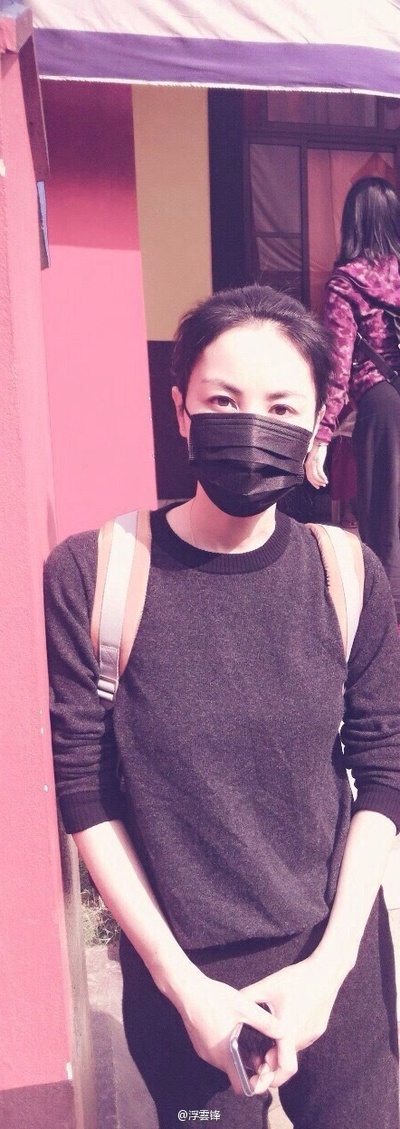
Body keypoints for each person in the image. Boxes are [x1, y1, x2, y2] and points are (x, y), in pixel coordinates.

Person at [44, 284, 400, 1129]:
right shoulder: (96, 574)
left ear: (317, 425)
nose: (252, 425)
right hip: (185, 986)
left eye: (282, 407)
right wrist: (183, 987)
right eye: (224, 401)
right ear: (181, 409)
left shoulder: (348, 574)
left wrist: (330, 970)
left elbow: (384, 773)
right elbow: (84, 791)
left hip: (337, 967)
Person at [305, 176, 400, 622]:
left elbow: (338, 366)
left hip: (382, 408)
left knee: (384, 515)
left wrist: (320, 438)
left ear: (353, 222)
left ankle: (386, 617)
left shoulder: (345, 283)